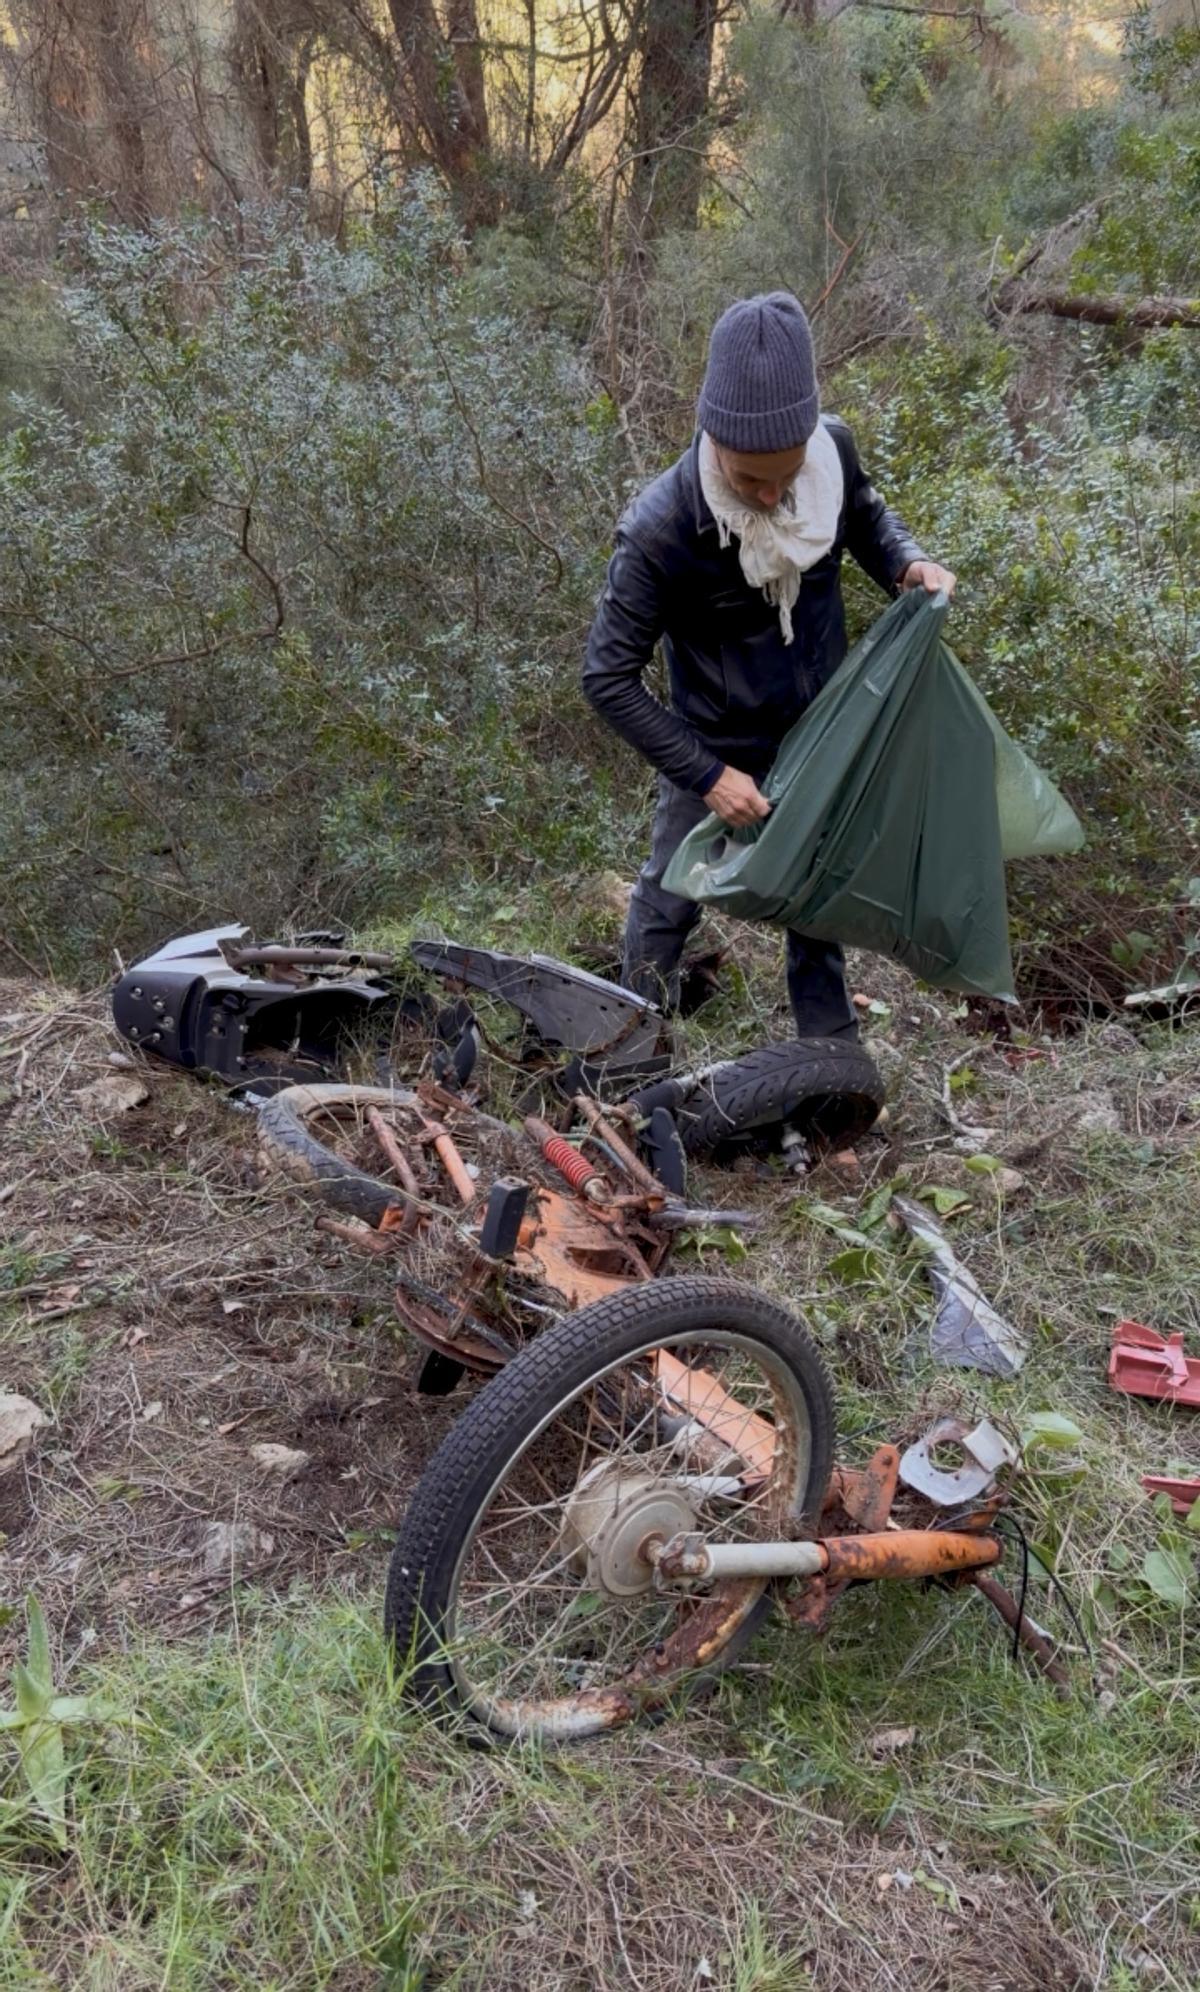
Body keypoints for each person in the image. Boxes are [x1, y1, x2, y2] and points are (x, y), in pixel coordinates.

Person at [583, 291, 956, 1038]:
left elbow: (866, 516)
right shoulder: (661, 529)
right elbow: (606, 678)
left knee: (815, 899)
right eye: (751, 478)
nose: (772, 493)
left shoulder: (833, 453)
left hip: (820, 731)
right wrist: (708, 776)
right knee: (667, 899)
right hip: (713, 743)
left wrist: (906, 562)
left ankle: (828, 1065)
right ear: (712, 435)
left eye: (786, 474)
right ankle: (624, 1055)